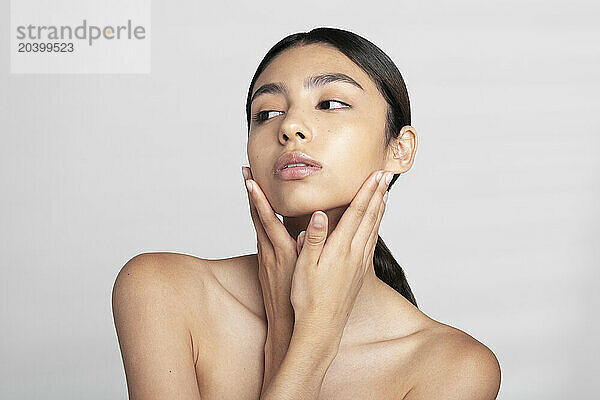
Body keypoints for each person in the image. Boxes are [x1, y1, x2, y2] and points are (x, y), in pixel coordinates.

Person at [112, 27, 501, 400]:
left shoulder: (454, 367)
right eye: (266, 113)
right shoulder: (162, 290)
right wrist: (301, 340)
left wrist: (309, 334)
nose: (290, 126)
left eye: (330, 104)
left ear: (399, 149)